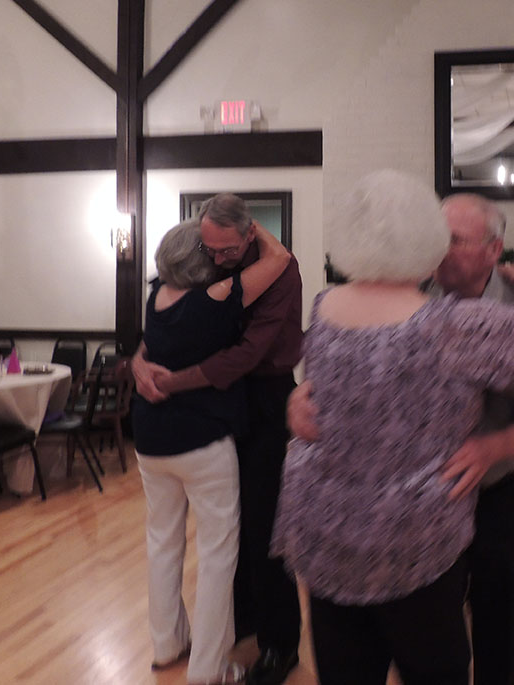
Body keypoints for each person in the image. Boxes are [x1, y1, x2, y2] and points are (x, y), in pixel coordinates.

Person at [273, 170, 514, 685]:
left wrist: (494, 447)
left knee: (499, 637)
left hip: (417, 512)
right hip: (415, 529)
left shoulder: (328, 307)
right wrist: (294, 406)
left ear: (493, 249)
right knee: (427, 660)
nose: (442, 250)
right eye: (440, 236)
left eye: (455, 239)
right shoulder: (442, 318)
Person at [132, 194, 303, 685]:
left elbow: (243, 356)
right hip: (216, 403)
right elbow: (170, 329)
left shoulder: (280, 272)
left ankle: (280, 643)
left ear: (250, 234)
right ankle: (241, 622)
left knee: (264, 525)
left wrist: (169, 380)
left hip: (263, 395)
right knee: (230, 529)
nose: (217, 259)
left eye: (226, 250)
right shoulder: (209, 268)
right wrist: (141, 361)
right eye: (210, 249)